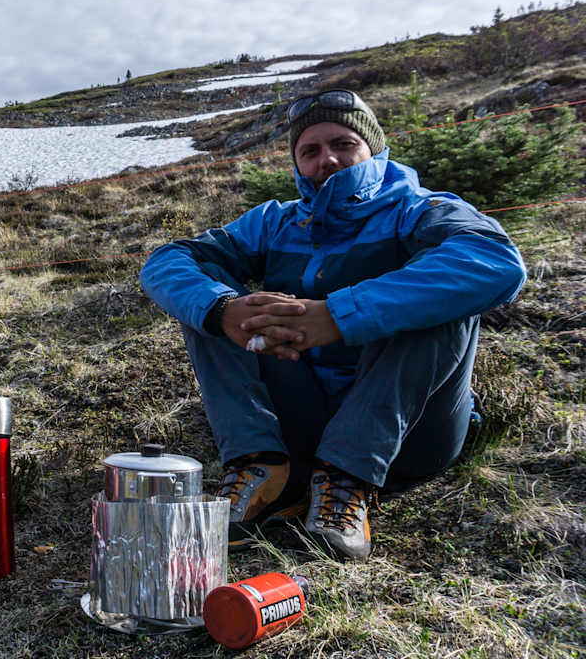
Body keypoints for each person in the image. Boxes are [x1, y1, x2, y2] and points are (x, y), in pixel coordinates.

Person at [139, 89, 526, 559]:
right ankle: (261, 467)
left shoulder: (419, 209)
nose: (328, 159)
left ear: (372, 149)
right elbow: (168, 261)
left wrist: (340, 316)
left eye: (344, 144)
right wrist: (224, 311)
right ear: (297, 164)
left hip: (412, 432)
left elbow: (496, 262)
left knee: (444, 302)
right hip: (303, 419)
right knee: (209, 305)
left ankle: (348, 480)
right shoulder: (275, 221)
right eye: (311, 150)